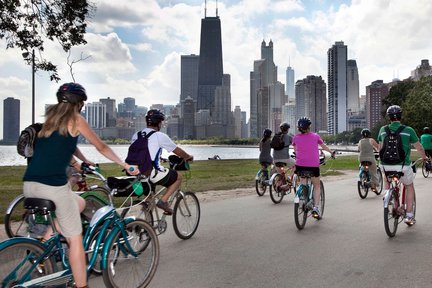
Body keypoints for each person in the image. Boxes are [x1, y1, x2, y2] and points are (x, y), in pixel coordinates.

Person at [23, 83, 139, 288]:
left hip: (30, 184)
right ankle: (81, 285)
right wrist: (125, 165)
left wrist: (80, 162)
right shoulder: (76, 119)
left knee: (79, 203)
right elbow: (101, 146)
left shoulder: (50, 122)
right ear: (79, 104)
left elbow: (62, 150)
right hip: (52, 186)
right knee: (75, 238)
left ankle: (43, 244)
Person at [132, 109, 193, 215]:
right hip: (151, 173)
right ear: (159, 123)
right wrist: (188, 156)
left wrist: (160, 158)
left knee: (149, 199)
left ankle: (146, 227)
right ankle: (163, 201)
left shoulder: (136, 135)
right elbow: (177, 151)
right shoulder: (160, 136)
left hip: (136, 172)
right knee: (178, 177)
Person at [377, 105, 427, 226]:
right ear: (400, 116)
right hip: (403, 166)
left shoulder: (383, 130)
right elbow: (419, 147)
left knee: (385, 173)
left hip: (386, 165)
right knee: (409, 186)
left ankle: (387, 193)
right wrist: (425, 157)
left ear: (389, 118)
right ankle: (409, 216)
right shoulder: (408, 130)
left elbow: (380, 148)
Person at [292, 117, 335, 220]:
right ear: (309, 127)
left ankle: (303, 197)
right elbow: (323, 146)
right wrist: (331, 152)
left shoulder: (295, 138)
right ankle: (315, 207)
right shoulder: (315, 136)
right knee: (316, 186)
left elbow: (295, 150)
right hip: (313, 166)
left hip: (300, 166)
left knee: (303, 182)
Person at [272, 122, 295, 187]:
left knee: (281, 173)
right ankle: (290, 178)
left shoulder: (275, 136)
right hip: (285, 158)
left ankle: (279, 185)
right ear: (287, 129)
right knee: (296, 165)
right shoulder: (289, 137)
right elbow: (296, 143)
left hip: (275, 159)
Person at [357, 128, 380, 193]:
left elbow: (359, 149)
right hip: (370, 158)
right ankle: (373, 184)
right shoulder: (371, 140)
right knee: (373, 171)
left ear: (362, 135)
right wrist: (378, 152)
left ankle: (362, 176)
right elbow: (378, 147)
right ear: (369, 134)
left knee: (362, 166)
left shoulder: (360, 141)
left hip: (361, 158)